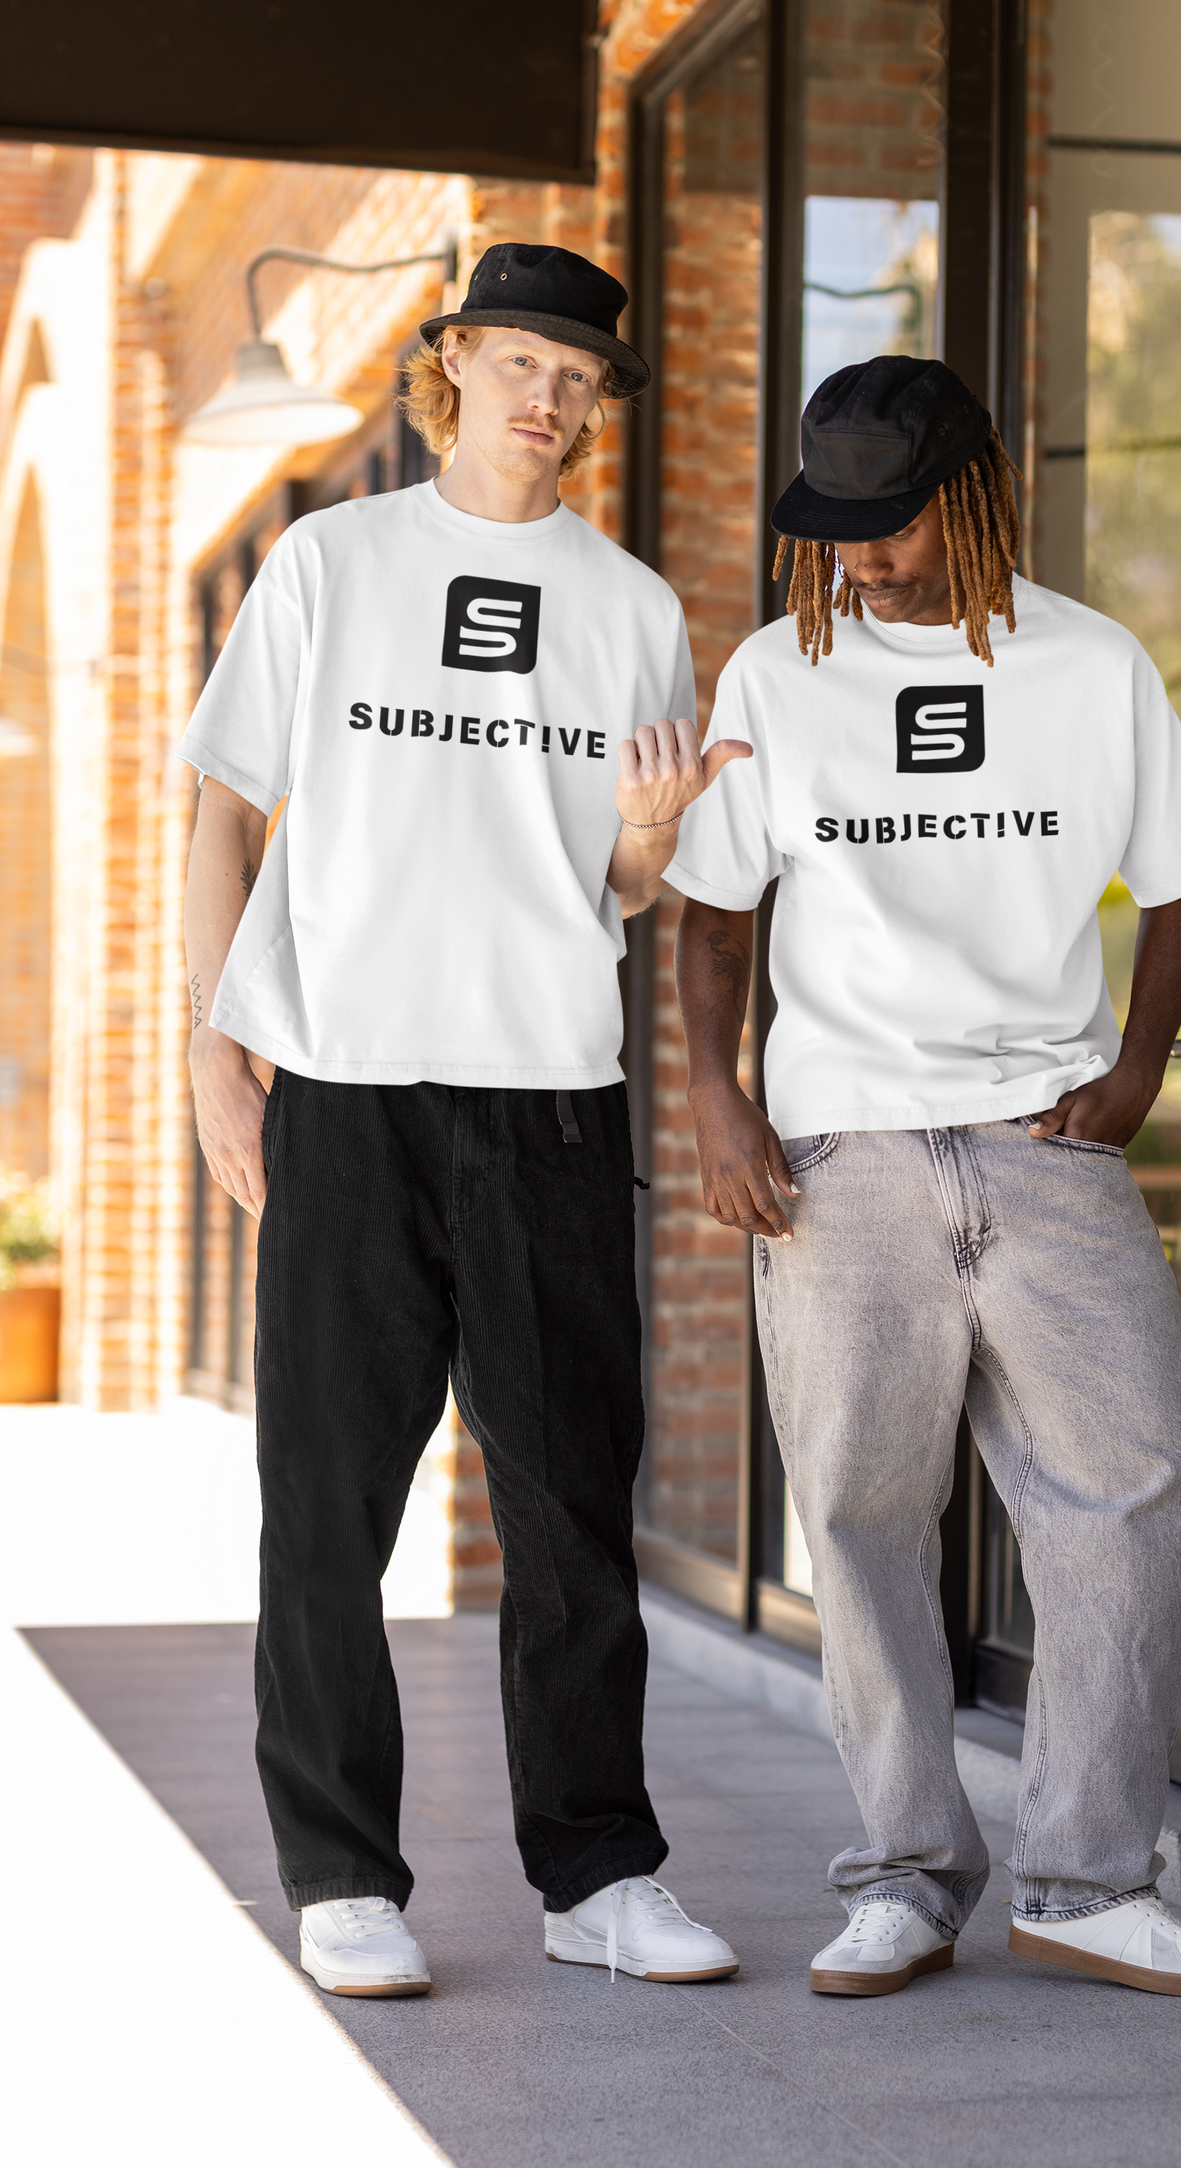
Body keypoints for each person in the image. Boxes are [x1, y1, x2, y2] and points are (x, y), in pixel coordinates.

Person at [181, 243, 746, 1997]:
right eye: (520, 361)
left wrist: (649, 844)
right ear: (456, 365)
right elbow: (216, 811)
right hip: (348, 1089)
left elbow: (625, 885)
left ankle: (597, 1873)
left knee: (574, 1503)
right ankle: (342, 1874)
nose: (548, 398)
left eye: (578, 377)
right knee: (329, 1502)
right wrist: (213, 1053)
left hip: (552, 1097)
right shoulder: (332, 560)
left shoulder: (633, 609)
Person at [669, 355, 1181, 2002]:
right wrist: (717, 1105)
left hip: (1045, 1146)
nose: (859, 554)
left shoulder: (1093, 664)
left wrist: (1138, 1065)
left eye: (889, 518)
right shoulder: (777, 676)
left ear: (976, 493)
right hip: (840, 1147)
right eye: (834, 525)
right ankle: (908, 1877)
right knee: (859, 1517)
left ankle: (1083, 1878)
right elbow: (718, 914)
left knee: (1139, 1486)